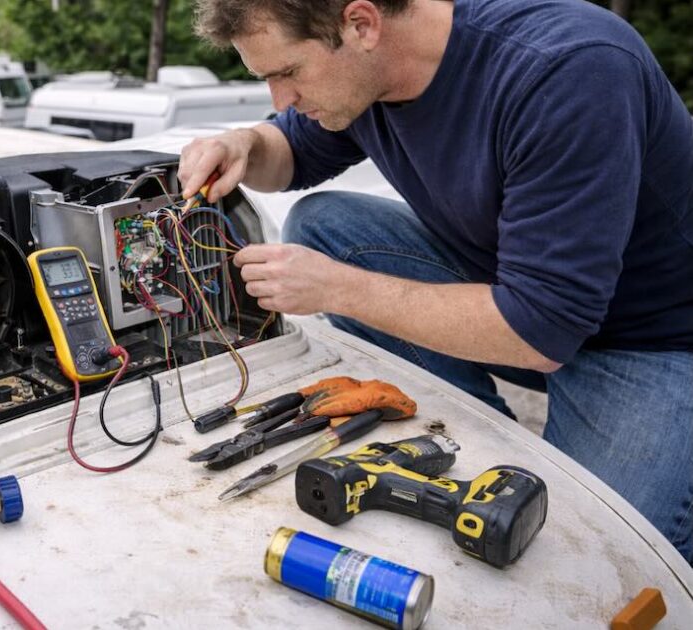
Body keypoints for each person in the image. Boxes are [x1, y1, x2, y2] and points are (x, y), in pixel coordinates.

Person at [180, 0, 693, 562]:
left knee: (594, 558)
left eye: (288, 72)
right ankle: (470, 440)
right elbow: (291, 153)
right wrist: (246, 145)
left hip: (652, 338)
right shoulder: (370, 74)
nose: (282, 99)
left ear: (361, 24)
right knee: (323, 224)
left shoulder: (566, 69)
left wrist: (337, 288)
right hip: (520, 295)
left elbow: (542, 330)